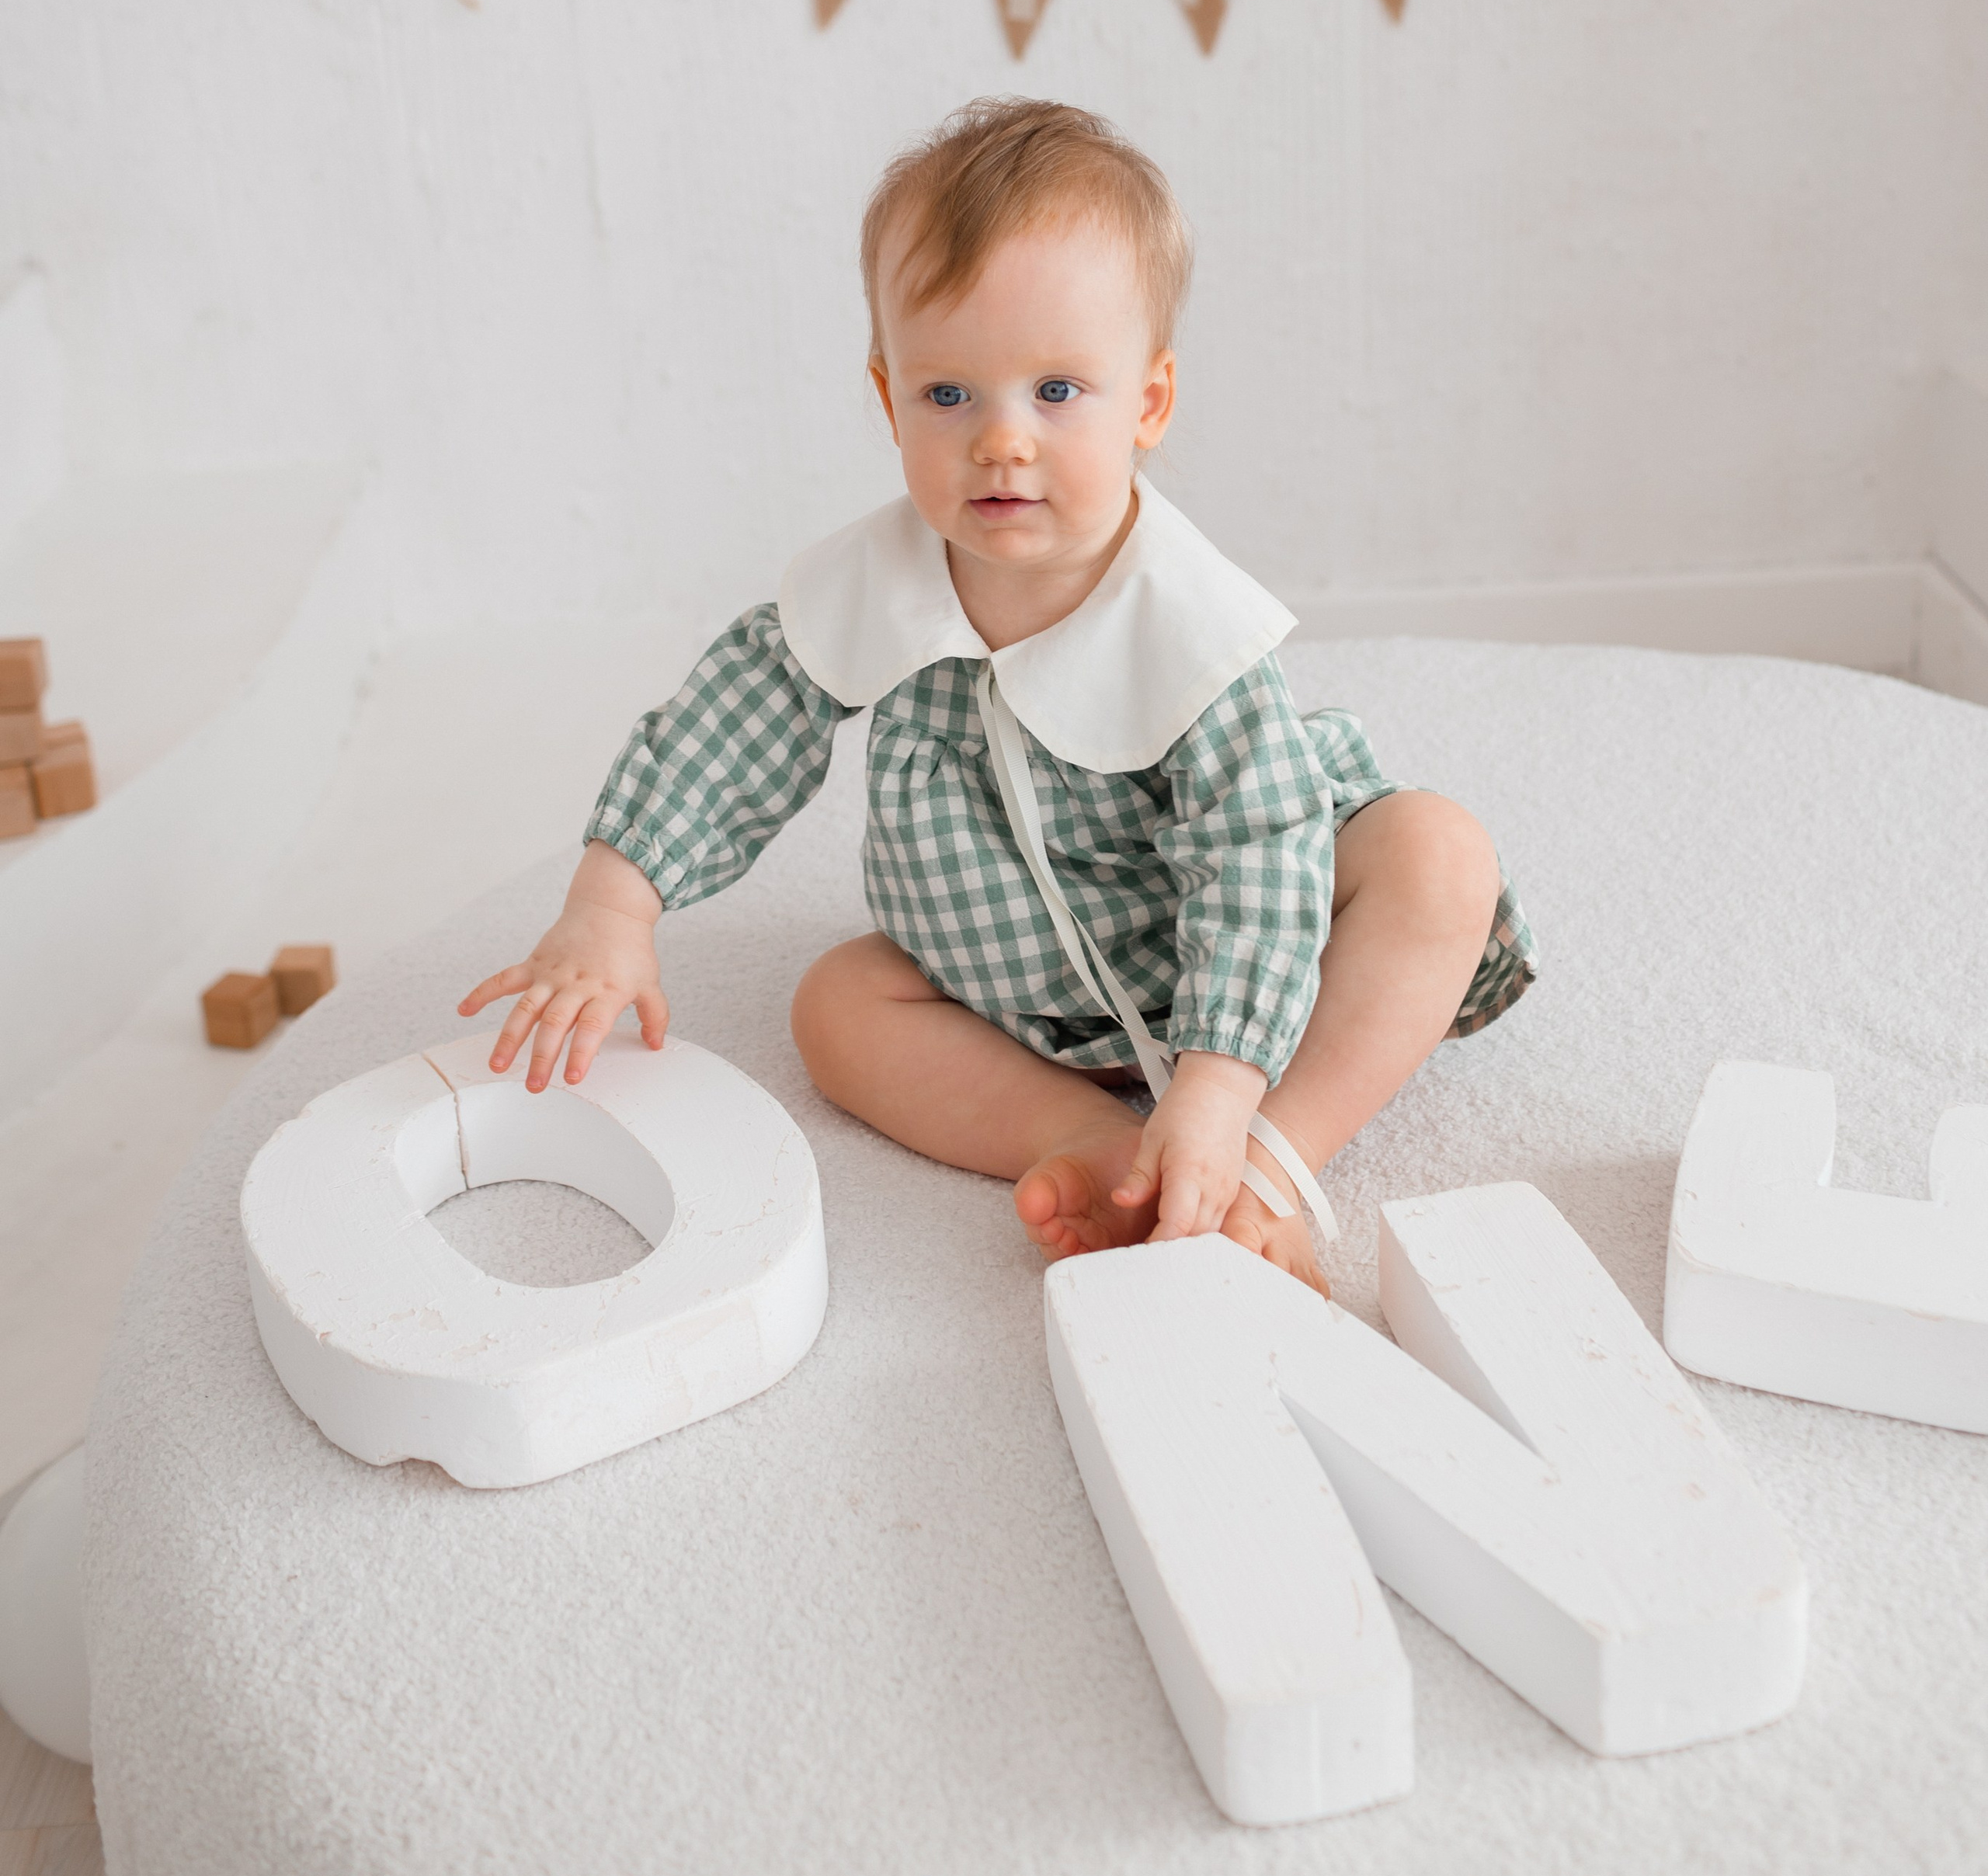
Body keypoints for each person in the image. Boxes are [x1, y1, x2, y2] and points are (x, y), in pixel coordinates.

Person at [459, 97, 1535, 1291]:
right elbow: (736, 720)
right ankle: (1092, 1138)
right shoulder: (879, 581)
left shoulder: (1190, 625)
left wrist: (1225, 1084)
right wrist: (615, 903)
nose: (1001, 442)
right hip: (1021, 975)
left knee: (1439, 856)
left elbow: (1260, 860)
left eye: (1059, 392)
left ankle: (1263, 1172)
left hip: (1245, 956)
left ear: (1150, 403)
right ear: (890, 401)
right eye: (950, 396)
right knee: (837, 1006)